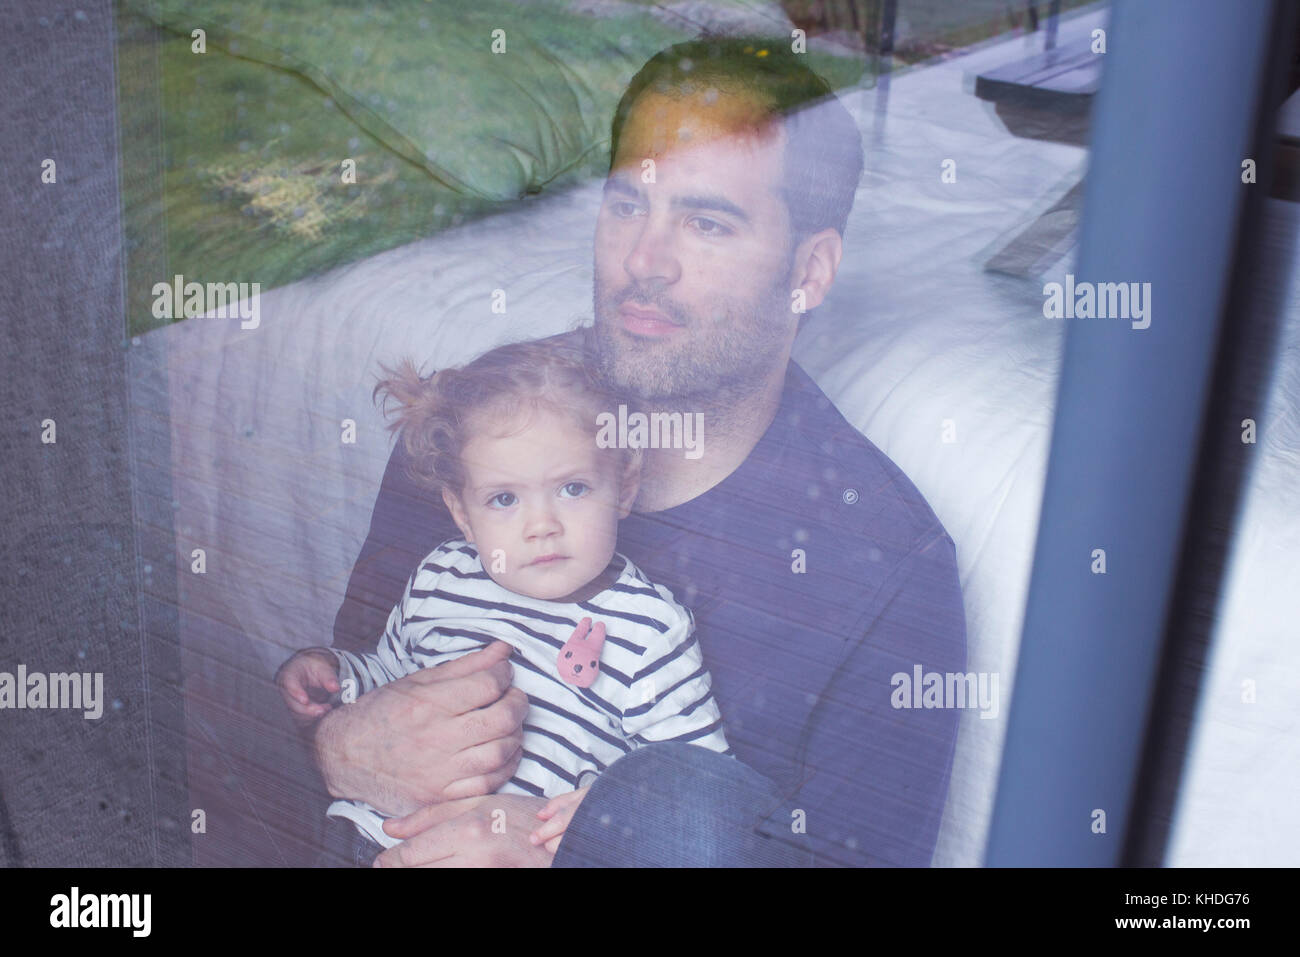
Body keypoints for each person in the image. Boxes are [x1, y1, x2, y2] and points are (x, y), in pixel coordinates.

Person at [292, 34, 967, 867]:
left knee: (686, 793)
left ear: (810, 271)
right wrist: (335, 744)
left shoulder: (884, 567)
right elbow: (361, 688)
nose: (644, 261)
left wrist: (572, 850)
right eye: (624, 205)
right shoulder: (482, 430)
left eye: (707, 221)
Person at [278, 335, 731, 856]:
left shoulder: (648, 626)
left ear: (623, 487)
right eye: (504, 499)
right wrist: (337, 675)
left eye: (573, 488)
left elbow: (698, 785)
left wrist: (602, 814)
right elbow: (392, 677)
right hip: (374, 842)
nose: (541, 526)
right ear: (462, 515)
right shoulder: (442, 576)